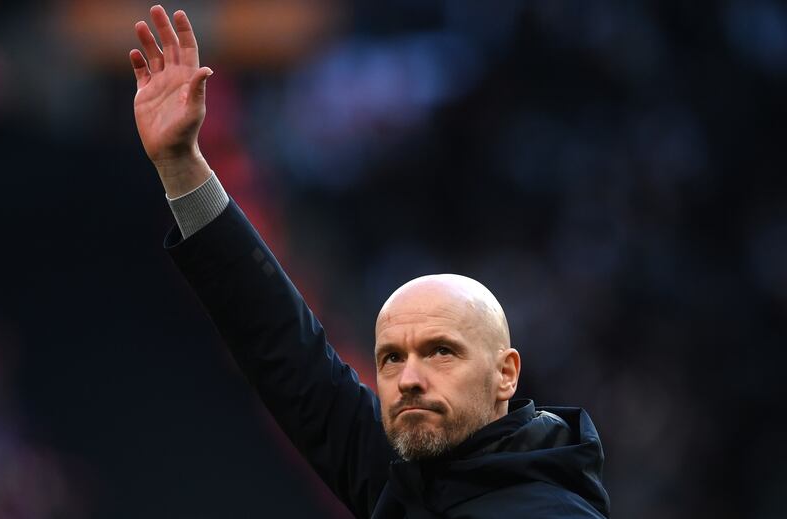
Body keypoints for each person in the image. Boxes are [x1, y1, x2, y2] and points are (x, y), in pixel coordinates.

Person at [129, 6, 611, 518]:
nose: (409, 378)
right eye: (391, 359)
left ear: (505, 375)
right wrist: (181, 168)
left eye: (441, 352)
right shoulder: (410, 482)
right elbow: (286, 352)